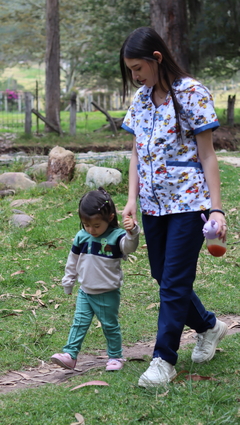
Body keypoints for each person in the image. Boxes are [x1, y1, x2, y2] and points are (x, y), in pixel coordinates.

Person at [120, 27, 228, 387]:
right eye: (130, 70)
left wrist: (217, 209)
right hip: (152, 205)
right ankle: (210, 326)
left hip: (188, 201)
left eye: (138, 68)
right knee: (163, 277)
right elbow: (136, 152)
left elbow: (208, 155)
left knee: (174, 283)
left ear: (156, 58)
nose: (135, 76)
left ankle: (164, 359)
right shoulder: (140, 99)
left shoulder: (192, 92)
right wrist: (132, 198)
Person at [51, 187, 140, 372]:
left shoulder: (117, 237)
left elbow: (130, 247)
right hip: (85, 291)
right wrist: (68, 281)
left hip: (107, 292)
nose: (91, 230)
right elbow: (73, 260)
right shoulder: (81, 237)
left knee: (109, 325)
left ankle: (115, 356)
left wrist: (132, 233)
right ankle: (70, 355)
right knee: (79, 323)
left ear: (110, 218)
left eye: (96, 225)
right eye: (86, 224)